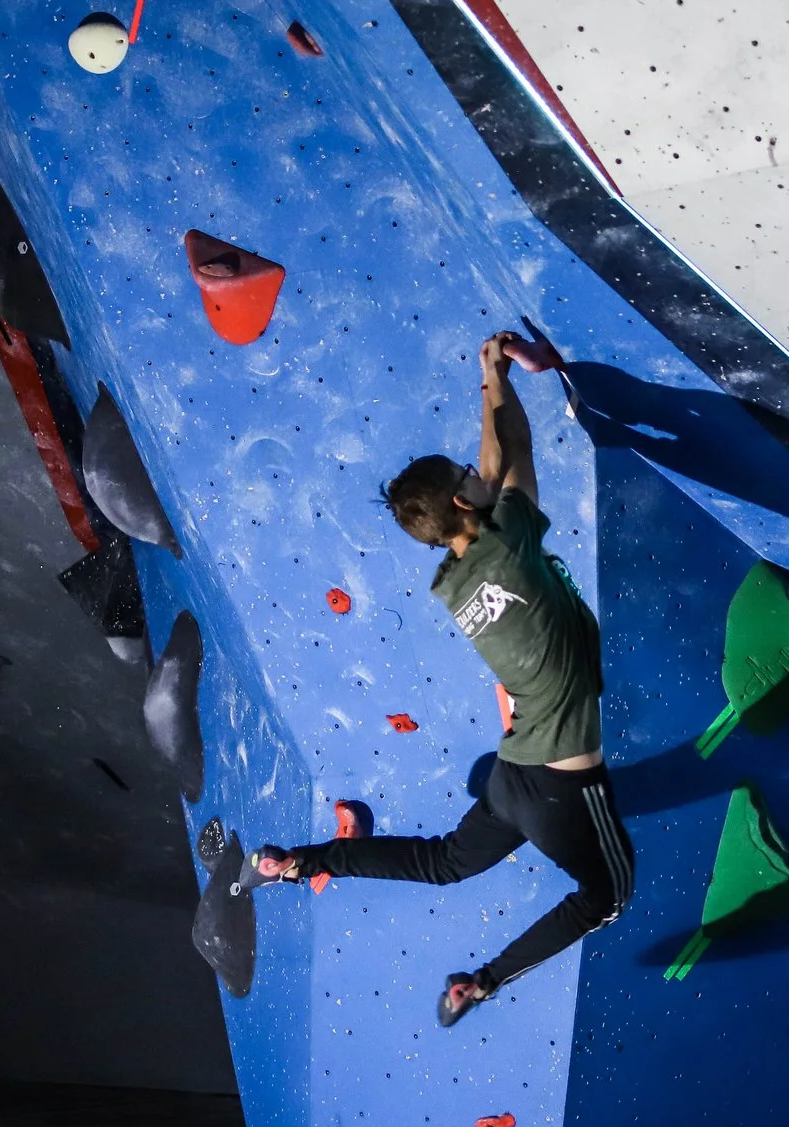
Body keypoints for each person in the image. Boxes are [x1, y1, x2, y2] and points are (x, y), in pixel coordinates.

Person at [255, 328, 633, 1026]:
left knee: (445, 863)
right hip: (555, 779)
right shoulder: (512, 541)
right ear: (465, 503)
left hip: (516, 776)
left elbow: (490, 469)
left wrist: (490, 375)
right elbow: (512, 451)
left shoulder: (455, 580)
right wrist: (499, 383)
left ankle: (302, 863)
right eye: (465, 475)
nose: (473, 470)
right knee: (608, 893)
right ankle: (484, 980)